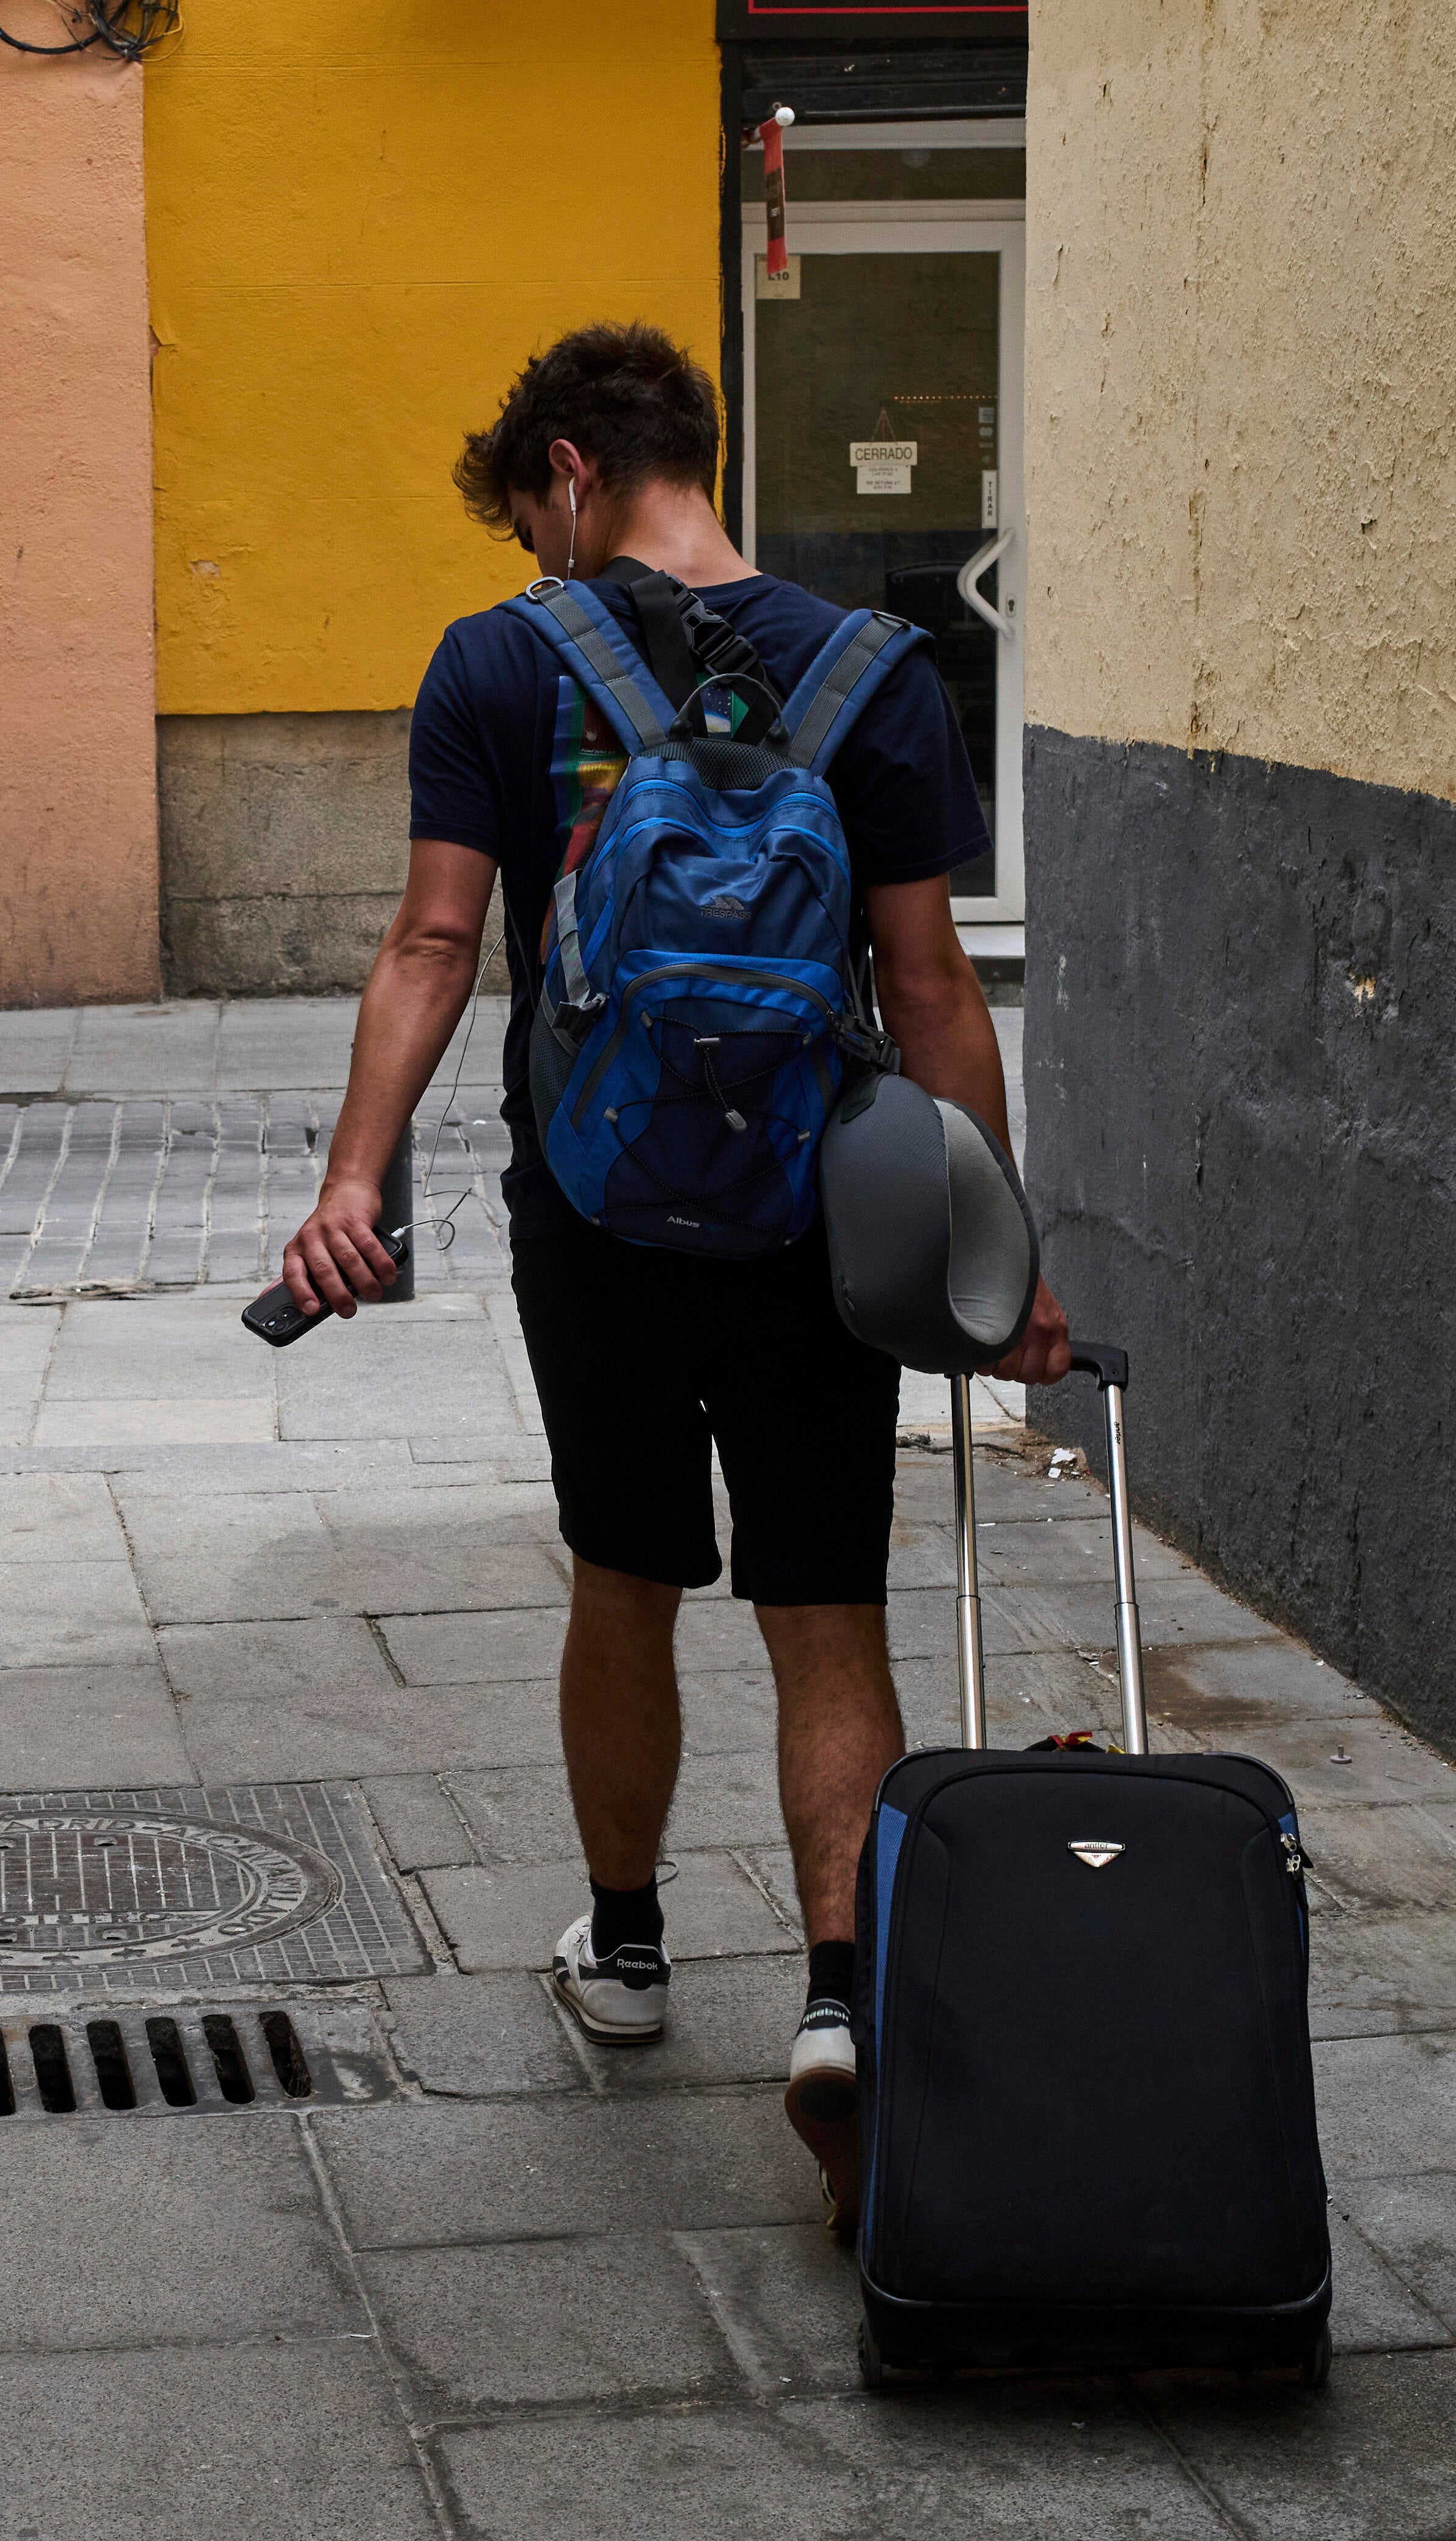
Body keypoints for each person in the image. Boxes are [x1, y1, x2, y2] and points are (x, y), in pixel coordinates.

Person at [276, 323, 1069, 2237]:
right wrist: (999, 1256)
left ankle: (625, 1954)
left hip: (593, 1208)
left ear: (565, 472)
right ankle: (834, 1995)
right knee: (821, 1613)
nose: (536, 555)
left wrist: (349, 1180)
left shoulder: (496, 660)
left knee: (621, 1577)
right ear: (688, 459)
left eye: (528, 517)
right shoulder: (873, 671)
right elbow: (935, 987)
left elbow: (430, 941)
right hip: (816, 1209)